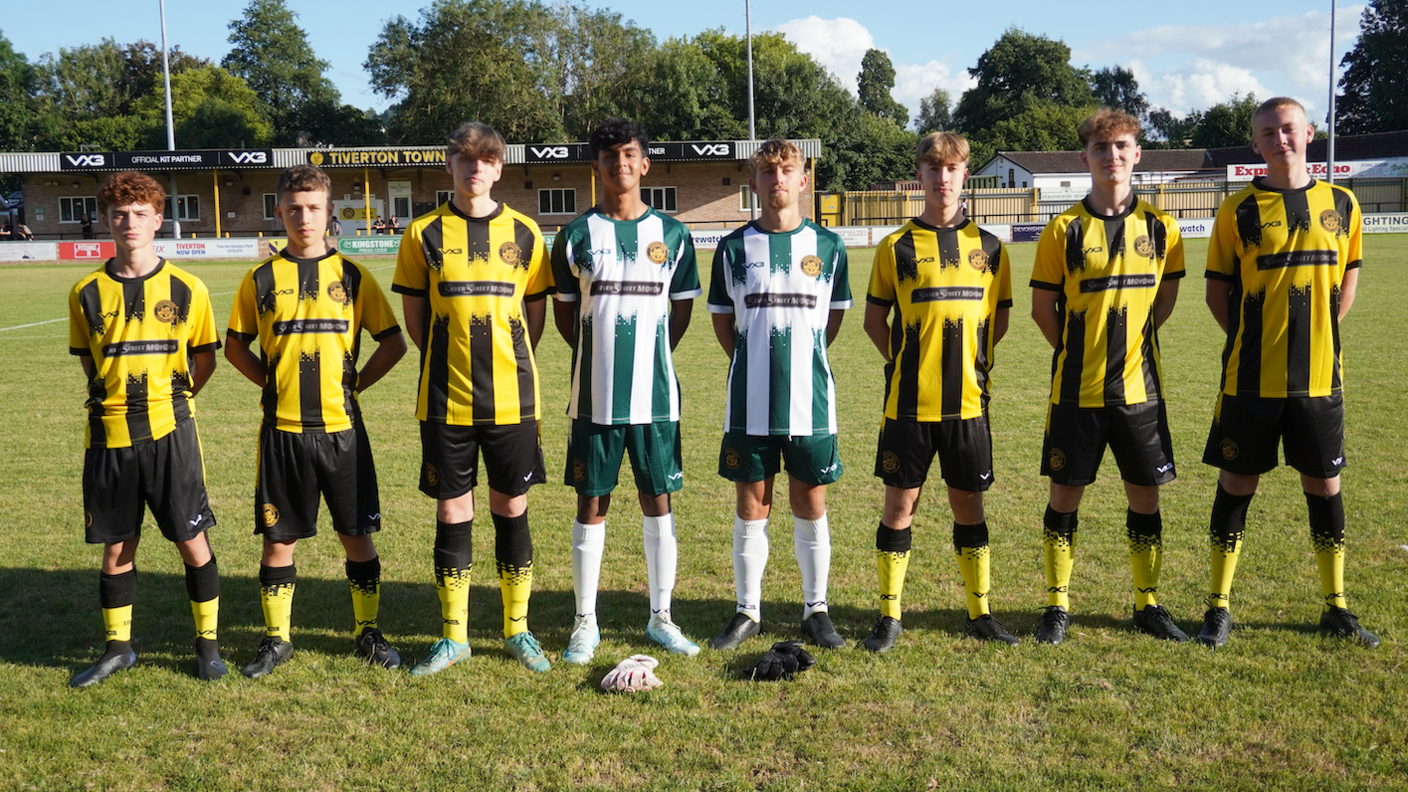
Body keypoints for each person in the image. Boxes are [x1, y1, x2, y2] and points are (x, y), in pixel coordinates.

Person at [1197, 97, 1377, 649]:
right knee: (1236, 485)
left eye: (1290, 130)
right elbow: (1216, 294)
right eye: (1269, 133)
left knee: (1324, 485)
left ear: (1310, 133)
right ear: (1255, 144)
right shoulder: (1237, 210)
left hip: (1321, 378)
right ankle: (1218, 607)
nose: (1281, 140)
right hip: (1250, 379)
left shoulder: (1343, 204)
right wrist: (1258, 337)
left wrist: (1317, 329)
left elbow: (1346, 282)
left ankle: (1336, 605)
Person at [224, 165, 408, 678]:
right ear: (279, 212)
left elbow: (393, 342)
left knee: (356, 534)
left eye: (313, 208)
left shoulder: (351, 276)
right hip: (283, 431)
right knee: (278, 538)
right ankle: (276, 639)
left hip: (341, 429)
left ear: (330, 213)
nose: (304, 217)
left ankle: (367, 632)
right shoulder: (261, 278)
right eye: (293, 208)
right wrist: (269, 383)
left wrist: (354, 387)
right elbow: (233, 345)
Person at [392, 121, 556, 674]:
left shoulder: (527, 233)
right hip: (445, 399)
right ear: (451, 166)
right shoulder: (422, 235)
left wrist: (511, 356)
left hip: (513, 400)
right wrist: (446, 355)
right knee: (452, 509)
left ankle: (517, 630)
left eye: (486, 160)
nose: (476, 168)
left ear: (499, 168)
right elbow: (416, 319)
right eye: (466, 159)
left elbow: (535, 316)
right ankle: (454, 636)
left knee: (511, 506)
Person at [1029, 108, 1187, 645]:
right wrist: (1081, 352)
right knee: (1064, 495)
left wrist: (1130, 346)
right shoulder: (1063, 228)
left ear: (1137, 153)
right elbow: (1041, 309)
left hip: (1140, 390)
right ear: (1085, 159)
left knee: (1145, 496)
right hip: (1076, 389)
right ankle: (1057, 605)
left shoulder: (1162, 228)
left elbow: (1165, 299)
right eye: (1101, 148)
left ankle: (1147, 603)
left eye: (1122, 146)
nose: (1112, 156)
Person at [550, 118, 703, 665]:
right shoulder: (573, 236)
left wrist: (652, 355)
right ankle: (584, 623)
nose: (620, 164)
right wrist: (600, 358)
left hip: (656, 397)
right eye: (609, 155)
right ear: (596, 166)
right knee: (591, 502)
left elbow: (679, 311)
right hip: (593, 396)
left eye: (629, 154)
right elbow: (567, 319)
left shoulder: (674, 234)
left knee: (657, 503)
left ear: (644, 164)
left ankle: (661, 617)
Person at [66, 171, 226, 686]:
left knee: (191, 539)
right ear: (106, 221)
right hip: (109, 435)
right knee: (118, 546)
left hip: (170, 432)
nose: (129, 222)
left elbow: (205, 359)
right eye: (119, 214)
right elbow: (91, 364)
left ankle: (208, 648)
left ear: (159, 219)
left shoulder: (188, 288)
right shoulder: (85, 291)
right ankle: (118, 648)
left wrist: (174, 402)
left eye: (140, 213)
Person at [861, 131, 1017, 652]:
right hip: (908, 405)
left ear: (965, 174)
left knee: (968, 508)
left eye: (952, 169)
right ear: (921, 177)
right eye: (933, 169)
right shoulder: (896, 247)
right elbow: (873, 321)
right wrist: (910, 362)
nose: (943, 178)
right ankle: (888, 616)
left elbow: (998, 322)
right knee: (898, 509)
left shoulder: (990, 248)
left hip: (969, 405)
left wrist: (965, 364)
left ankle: (981, 611)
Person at [705, 139, 851, 651]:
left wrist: (800, 358)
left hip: (811, 398)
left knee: (811, 502)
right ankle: (748, 610)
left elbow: (831, 322)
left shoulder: (829, 248)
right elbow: (725, 324)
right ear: (754, 183)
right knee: (751, 504)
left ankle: (816, 609)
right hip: (749, 399)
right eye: (768, 172)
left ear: (804, 180)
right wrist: (754, 359)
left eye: (787, 170)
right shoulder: (732, 248)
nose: (778, 180)